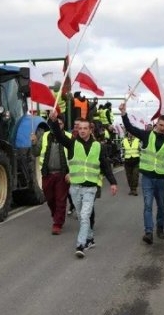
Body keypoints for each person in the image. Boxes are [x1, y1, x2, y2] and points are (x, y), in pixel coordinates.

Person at [48, 111, 117, 258]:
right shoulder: (72, 143)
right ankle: (90, 238)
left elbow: (105, 165)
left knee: (85, 215)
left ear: (90, 130)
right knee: (81, 216)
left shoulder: (98, 146)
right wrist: (53, 121)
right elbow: (59, 135)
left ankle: (81, 244)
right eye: (80, 128)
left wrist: (113, 182)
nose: (83, 131)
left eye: (86, 128)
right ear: (77, 130)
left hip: (90, 187)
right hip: (75, 188)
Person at [120, 102, 164, 245]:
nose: (162, 128)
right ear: (156, 124)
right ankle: (149, 232)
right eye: (160, 125)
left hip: (161, 179)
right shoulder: (146, 135)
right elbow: (130, 128)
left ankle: (160, 229)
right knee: (148, 205)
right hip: (147, 178)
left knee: (161, 206)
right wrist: (123, 114)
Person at [31, 114, 71, 235]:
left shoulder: (69, 137)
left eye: (60, 124)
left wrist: (71, 173)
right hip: (47, 174)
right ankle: (56, 215)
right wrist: (34, 143)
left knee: (60, 199)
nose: (58, 126)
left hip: (62, 174)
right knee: (50, 199)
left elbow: (74, 156)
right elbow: (36, 152)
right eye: (55, 123)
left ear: (63, 125)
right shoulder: (44, 136)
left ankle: (57, 224)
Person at [121, 131, 141, 196]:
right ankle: (131, 189)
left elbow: (141, 150)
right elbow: (122, 151)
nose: (131, 134)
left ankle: (134, 189)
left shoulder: (138, 140)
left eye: (132, 132)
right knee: (129, 176)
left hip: (136, 160)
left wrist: (140, 157)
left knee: (135, 175)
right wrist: (122, 159)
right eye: (129, 132)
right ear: (127, 133)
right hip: (127, 161)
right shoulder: (123, 141)